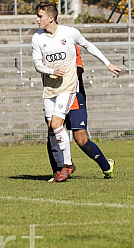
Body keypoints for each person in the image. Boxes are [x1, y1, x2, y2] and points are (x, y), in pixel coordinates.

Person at [32, 1, 120, 183]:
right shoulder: (38, 38)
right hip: (51, 90)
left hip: (73, 90)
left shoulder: (70, 35)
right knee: (53, 129)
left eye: (40, 16)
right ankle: (60, 169)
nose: (37, 19)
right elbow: (37, 64)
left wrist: (107, 63)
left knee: (79, 138)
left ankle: (103, 165)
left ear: (51, 17)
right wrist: (51, 71)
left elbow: (86, 50)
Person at [46, 45, 115, 181]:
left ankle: (107, 166)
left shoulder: (70, 43)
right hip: (54, 93)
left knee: (81, 139)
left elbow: (78, 69)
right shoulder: (44, 44)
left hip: (74, 94)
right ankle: (58, 170)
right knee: (52, 132)